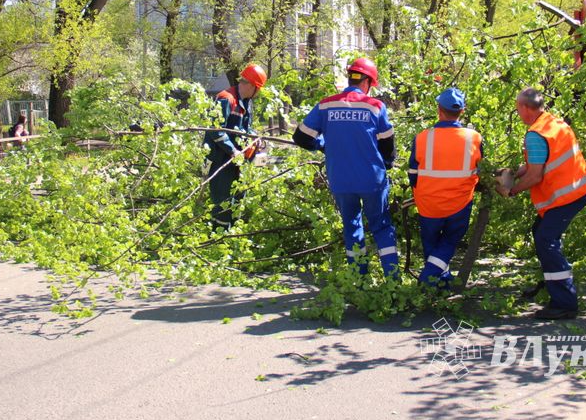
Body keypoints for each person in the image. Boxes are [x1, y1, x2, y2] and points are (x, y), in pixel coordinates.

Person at [292, 57, 399, 278]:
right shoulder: (376, 107)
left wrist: (322, 145)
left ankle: (358, 278)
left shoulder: (326, 105)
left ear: (351, 77)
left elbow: (300, 136)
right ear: (368, 82)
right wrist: (387, 165)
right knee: (381, 226)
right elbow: (388, 144)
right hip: (371, 179)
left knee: (352, 225)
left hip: (340, 180)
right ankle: (393, 278)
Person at [501, 88, 586, 319]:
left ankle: (564, 303)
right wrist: (515, 171)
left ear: (524, 108)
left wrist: (510, 190)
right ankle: (552, 282)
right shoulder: (554, 124)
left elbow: (535, 176)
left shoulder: (535, 134)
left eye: (517, 108)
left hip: (566, 196)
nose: (518, 112)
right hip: (577, 190)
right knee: (541, 233)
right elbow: (541, 163)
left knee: (546, 239)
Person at [408, 88, 483, 289]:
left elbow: (412, 175)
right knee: (449, 242)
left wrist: (422, 191)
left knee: (431, 244)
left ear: (439, 109)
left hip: (428, 203)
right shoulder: (474, 138)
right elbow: (481, 169)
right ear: (462, 111)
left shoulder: (422, 137)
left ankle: (433, 280)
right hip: (459, 203)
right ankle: (432, 279)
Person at [203, 64, 268, 229]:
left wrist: (255, 137)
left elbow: (246, 128)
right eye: (258, 89)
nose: (258, 93)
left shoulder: (246, 102)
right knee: (222, 201)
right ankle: (218, 238)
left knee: (239, 197)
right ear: (252, 86)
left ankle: (233, 235)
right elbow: (215, 129)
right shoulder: (226, 98)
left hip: (237, 161)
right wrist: (233, 151)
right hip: (220, 160)